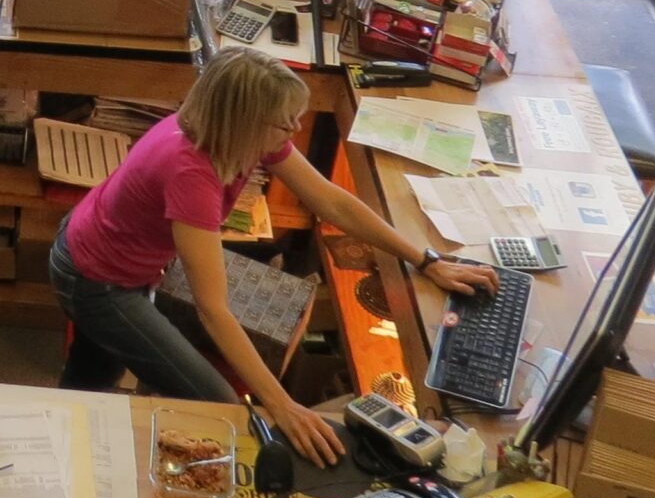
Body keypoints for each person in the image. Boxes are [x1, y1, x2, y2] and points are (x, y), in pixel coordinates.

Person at [49, 47, 499, 464]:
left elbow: (331, 202)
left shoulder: (229, 132)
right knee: (220, 406)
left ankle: (70, 433)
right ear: (247, 122)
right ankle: (71, 451)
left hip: (105, 251)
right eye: (286, 123)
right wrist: (280, 406)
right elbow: (214, 312)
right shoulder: (191, 173)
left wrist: (426, 259)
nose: (296, 130)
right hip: (97, 281)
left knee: (90, 381)